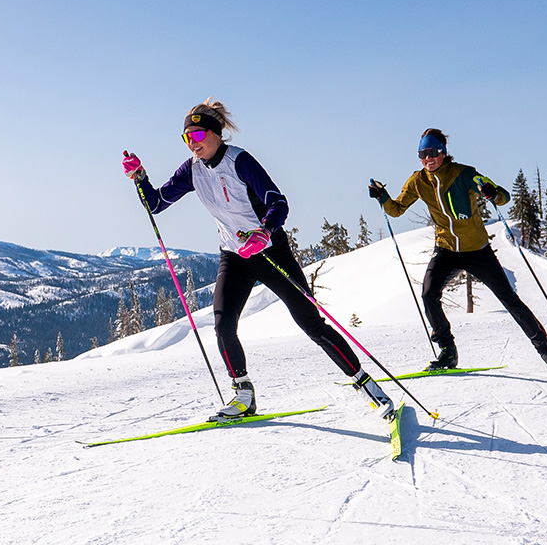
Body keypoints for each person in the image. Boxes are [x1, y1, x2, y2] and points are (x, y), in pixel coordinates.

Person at [122, 99, 394, 421]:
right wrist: (140, 177)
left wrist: (264, 232)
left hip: (269, 250)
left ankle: (366, 385)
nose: (192, 145)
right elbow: (156, 203)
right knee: (223, 325)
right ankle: (243, 395)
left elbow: (278, 202)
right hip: (234, 256)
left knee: (310, 321)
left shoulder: (240, 161)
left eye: (196, 137)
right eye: (186, 139)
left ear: (216, 134)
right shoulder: (191, 171)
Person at [368, 128, 547, 375]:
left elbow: (503, 196)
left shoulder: (463, 174)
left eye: (432, 152)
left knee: (510, 300)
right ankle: (448, 351)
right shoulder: (418, 181)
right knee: (429, 294)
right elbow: (396, 209)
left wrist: (492, 192)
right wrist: (383, 196)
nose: (427, 159)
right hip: (446, 249)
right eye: (422, 154)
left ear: (443, 153)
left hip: (477, 251)